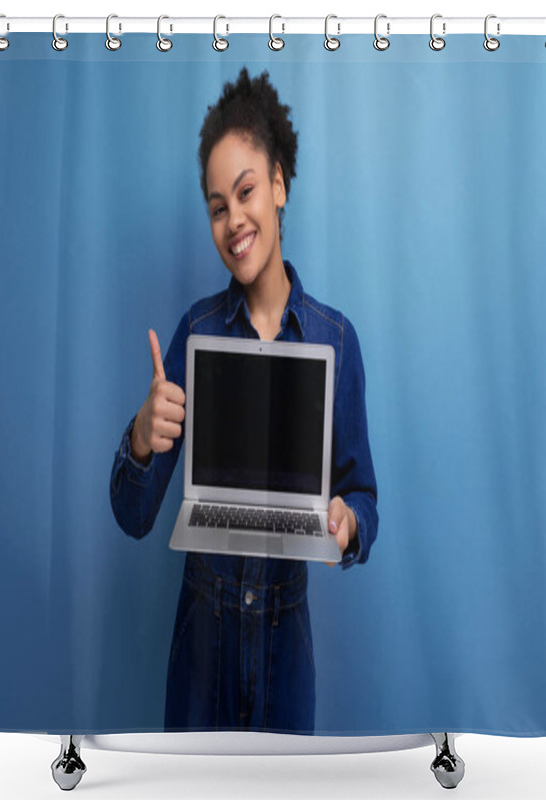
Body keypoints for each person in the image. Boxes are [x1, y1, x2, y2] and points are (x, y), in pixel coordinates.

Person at [109, 67, 378, 734]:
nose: (234, 220)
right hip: (202, 647)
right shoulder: (197, 333)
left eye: (247, 192)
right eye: (216, 205)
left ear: (280, 185)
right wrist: (143, 436)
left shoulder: (335, 340)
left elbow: (364, 496)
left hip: (288, 652)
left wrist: (349, 525)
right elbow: (135, 515)